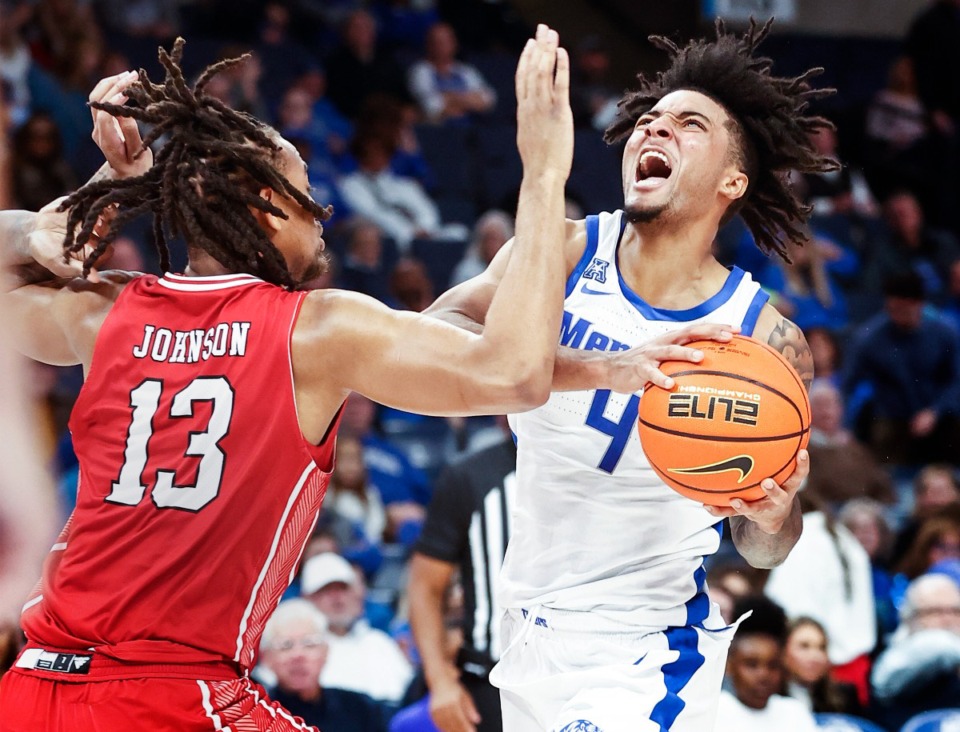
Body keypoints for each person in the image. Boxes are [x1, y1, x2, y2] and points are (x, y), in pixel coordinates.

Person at [0, 25, 574, 731]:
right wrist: (545, 174)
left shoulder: (107, 312)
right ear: (263, 204)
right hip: (171, 695)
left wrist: (104, 186)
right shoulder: (316, 327)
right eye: (306, 194)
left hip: (32, 689)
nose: (322, 216)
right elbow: (514, 374)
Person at [426, 18, 833, 731]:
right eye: (649, 118)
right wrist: (600, 369)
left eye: (689, 123)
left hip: (646, 649)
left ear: (733, 179)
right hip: (527, 633)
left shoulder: (764, 338)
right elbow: (432, 342)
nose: (656, 128)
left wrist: (772, 513)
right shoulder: (562, 251)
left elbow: (765, 545)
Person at [408, 416, 516, 732]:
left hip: (584, 672)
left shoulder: (596, 472)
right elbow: (424, 587)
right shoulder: (470, 476)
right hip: (491, 681)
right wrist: (439, 679)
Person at [259, 598, 389, 732]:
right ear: (266, 657)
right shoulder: (254, 717)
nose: (298, 655)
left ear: (325, 652)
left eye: (309, 643)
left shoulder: (360, 708)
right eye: (285, 645)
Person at [301, 552, 414, 704]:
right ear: (307, 599)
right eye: (326, 591)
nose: (337, 598)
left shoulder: (379, 641)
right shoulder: (302, 651)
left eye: (343, 589)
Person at [714, 596, 819, 731]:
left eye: (773, 666)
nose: (763, 675)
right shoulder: (714, 711)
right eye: (751, 664)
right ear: (729, 665)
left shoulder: (794, 713)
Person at [869, 573, 960, 730]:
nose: (947, 619)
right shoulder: (896, 653)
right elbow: (936, 645)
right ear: (908, 618)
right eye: (935, 611)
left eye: (955, 611)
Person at [782, 616, 863, 716]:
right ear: (783, 652)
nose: (815, 656)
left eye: (822, 648)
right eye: (804, 646)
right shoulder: (769, 698)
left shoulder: (845, 696)